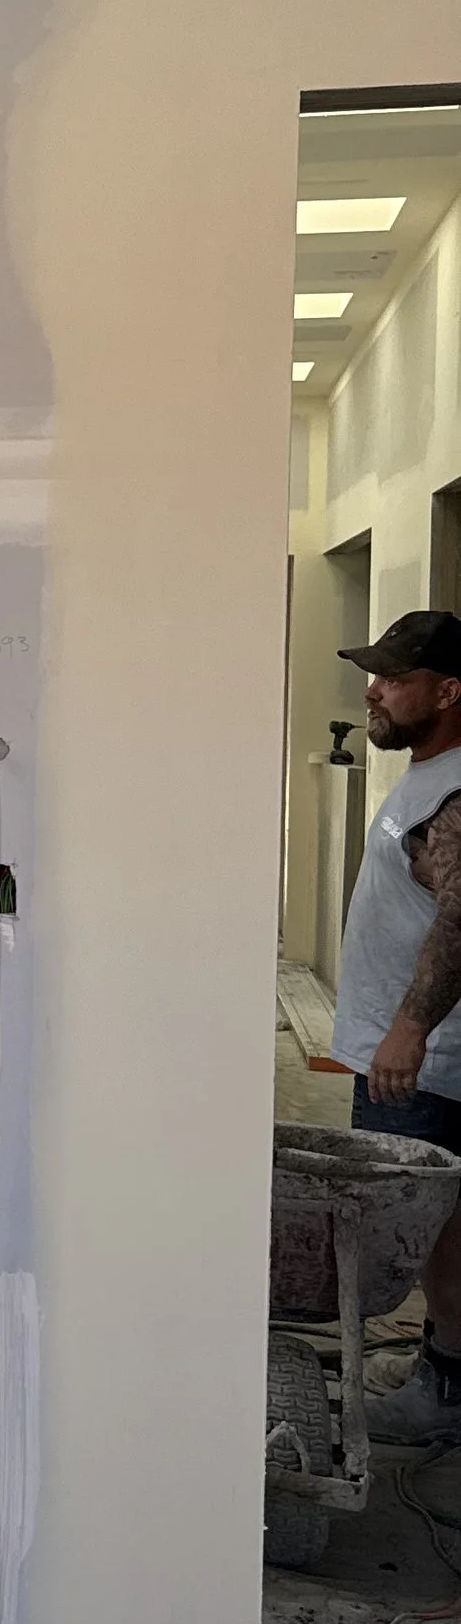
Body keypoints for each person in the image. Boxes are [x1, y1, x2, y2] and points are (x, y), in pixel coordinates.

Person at [329, 608, 461, 1441]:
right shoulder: (428, 772)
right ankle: (440, 1362)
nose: (371, 689)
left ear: (447, 690)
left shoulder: (453, 791)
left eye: (392, 676)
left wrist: (408, 1029)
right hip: (405, 1054)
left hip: (422, 1065)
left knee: (437, 1235)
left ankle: (444, 1393)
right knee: (439, 1232)